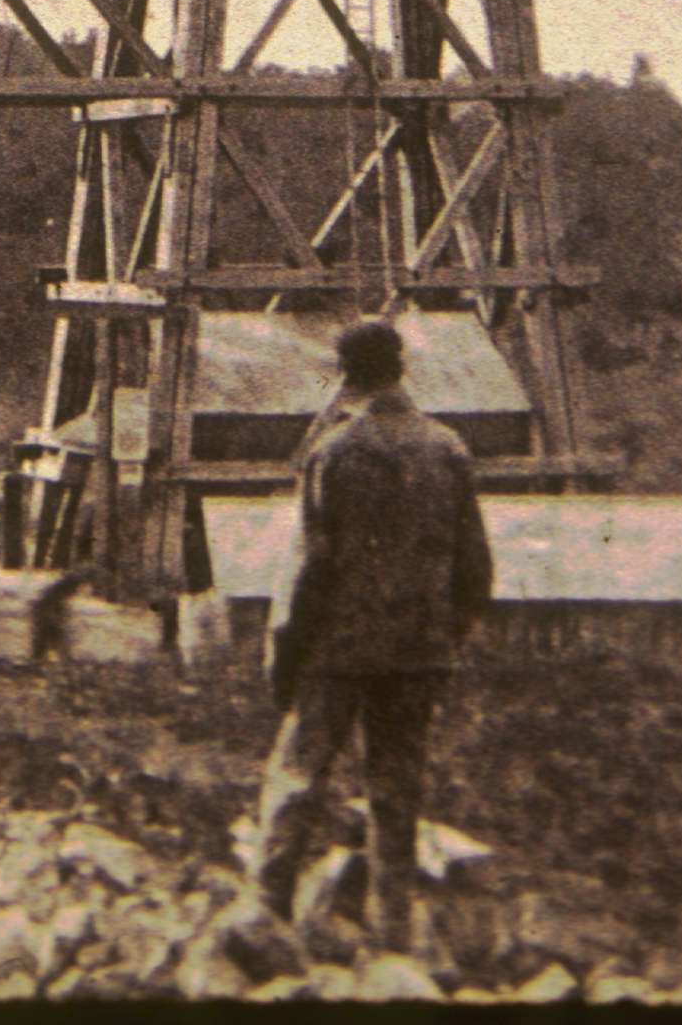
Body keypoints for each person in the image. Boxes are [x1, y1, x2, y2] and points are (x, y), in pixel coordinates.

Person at [243, 319, 493, 954]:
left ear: (345, 374)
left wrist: (283, 649)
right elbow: (475, 566)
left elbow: (306, 568)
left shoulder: (334, 453)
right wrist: (449, 636)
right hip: (418, 651)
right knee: (396, 790)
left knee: (298, 778)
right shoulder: (448, 449)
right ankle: (394, 934)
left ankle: (265, 920)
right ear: (402, 368)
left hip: (337, 648)